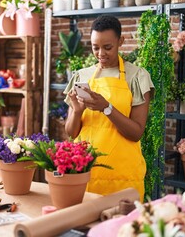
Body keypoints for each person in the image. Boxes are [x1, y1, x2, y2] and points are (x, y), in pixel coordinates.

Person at [63, 15, 154, 202]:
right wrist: (78, 110)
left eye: (108, 47)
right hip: (86, 172)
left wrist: (106, 107)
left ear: (120, 41)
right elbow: (71, 132)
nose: (101, 54)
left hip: (122, 175)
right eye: (95, 47)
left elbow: (136, 132)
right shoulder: (82, 76)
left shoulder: (137, 76)